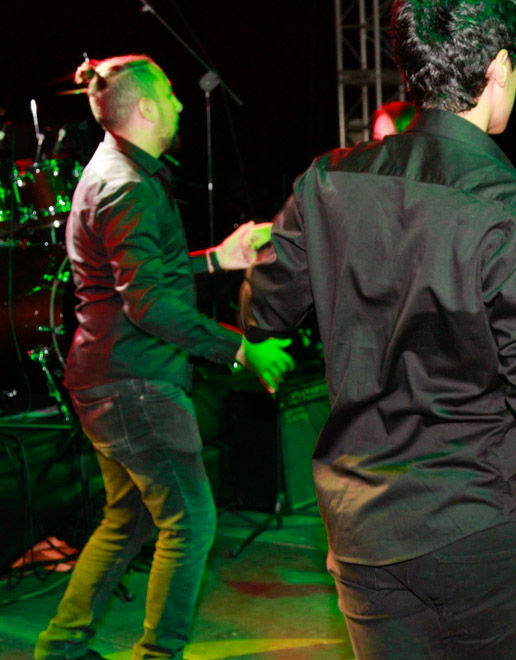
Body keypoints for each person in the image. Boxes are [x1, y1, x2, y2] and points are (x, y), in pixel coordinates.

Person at [239, 2, 516, 657]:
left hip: (363, 527)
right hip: (477, 527)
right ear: (499, 68)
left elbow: (264, 315)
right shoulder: (515, 210)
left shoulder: (328, 179)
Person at [34, 55, 291, 660]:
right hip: (135, 383)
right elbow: (148, 305)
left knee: (129, 518)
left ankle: (61, 645)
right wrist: (241, 348)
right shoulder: (125, 185)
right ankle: (156, 654)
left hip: (110, 377)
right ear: (146, 108)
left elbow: (136, 277)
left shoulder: (117, 171)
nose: (179, 104)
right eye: (171, 95)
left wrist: (217, 259)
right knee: (191, 521)